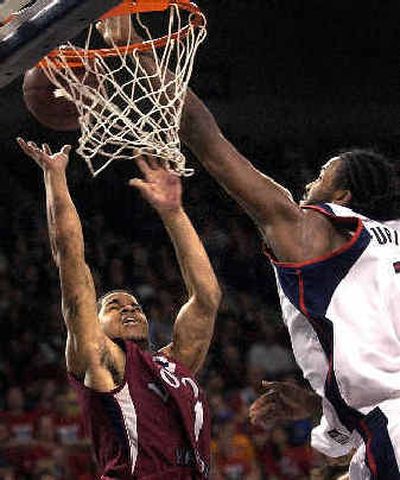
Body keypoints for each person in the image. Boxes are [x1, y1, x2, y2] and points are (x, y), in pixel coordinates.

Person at [98, 15, 400, 478]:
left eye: (321, 177)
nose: (308, 183)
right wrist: (320, 403)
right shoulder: (389, 245)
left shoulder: (314, 231)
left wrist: (137, 48)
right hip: (375, 428)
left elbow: (210, 142)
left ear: (343, 198)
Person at [16, 137, 222, 480]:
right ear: (94, 323)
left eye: (136, 305)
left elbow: (207, 297)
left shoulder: (173, 364)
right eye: (114, 305)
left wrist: (173, 212)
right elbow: (71, 262)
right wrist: (55, 178)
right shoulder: (102, 360)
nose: (129, 309)